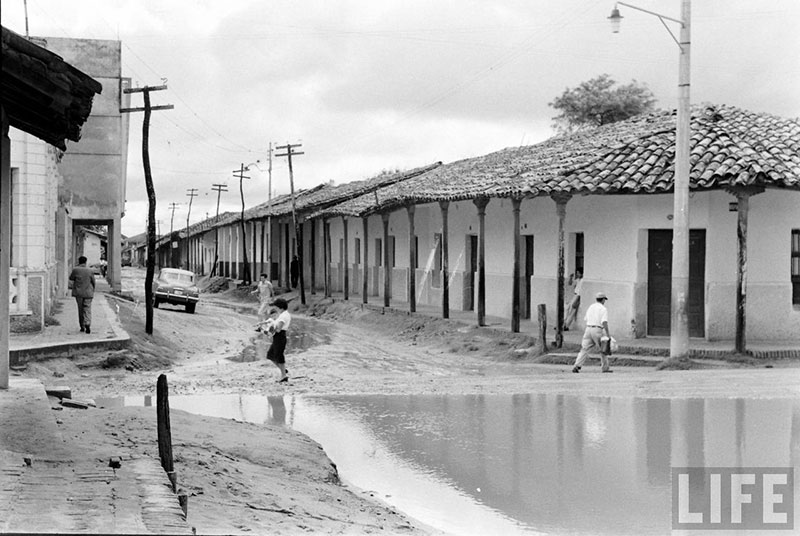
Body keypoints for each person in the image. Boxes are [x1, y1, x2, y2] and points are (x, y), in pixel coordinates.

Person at [572, 291, 613, 373]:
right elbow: (604, 322)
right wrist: (608, 334)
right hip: (597, 329)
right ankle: (605, 367)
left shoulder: (591, 307)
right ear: (603, 300)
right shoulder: (603, 309)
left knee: (584, 348)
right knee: (603, 349)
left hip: (588, 328)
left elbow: (586, 318)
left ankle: (577, 365)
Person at [260, 298, 291, 383]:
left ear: (280, 307)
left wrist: (267, 329)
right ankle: (283, 370)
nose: (275, 308)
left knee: (279, 356)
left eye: (276, 307)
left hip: (280, 337)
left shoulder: (284, 316)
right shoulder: (283, 314)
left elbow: (278, 329)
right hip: (278, 337)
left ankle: (283, 375)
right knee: (270, 355)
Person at [69, 256, 96, 334]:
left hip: (79, 292)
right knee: (87, 308)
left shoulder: (75, 269)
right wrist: (93, 289)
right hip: (88, 293)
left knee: (80, 309)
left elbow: (71, 278)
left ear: (79, 261)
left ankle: (82, 326)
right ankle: (87, 323)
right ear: (86, 262)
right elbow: (93, 281)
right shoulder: (90, 270)